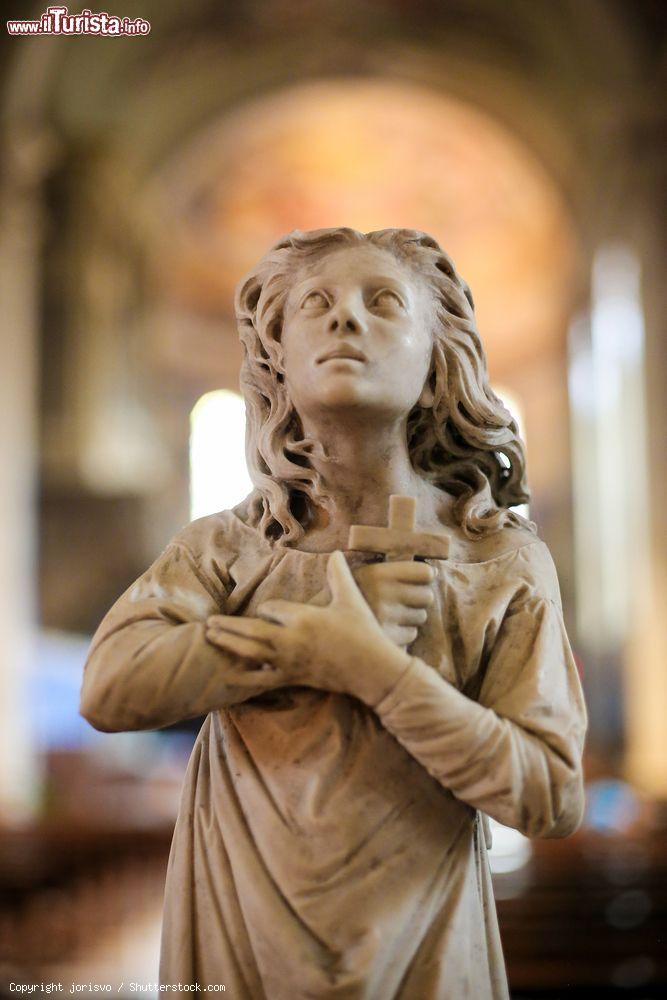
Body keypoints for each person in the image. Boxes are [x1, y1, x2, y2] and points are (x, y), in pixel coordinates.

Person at [80, 228, 587, 999]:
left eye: (381, 303)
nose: (344, 319)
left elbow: (548, 795)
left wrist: (376, 672)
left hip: (422, 944)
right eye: (315, 304)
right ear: (276, 354)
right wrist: (305, 639)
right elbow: (110, 690)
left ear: (434, 367)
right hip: (240, 934)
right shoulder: (227, 549)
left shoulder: (498, 561)